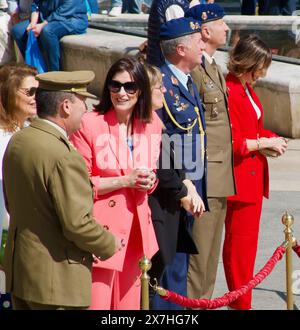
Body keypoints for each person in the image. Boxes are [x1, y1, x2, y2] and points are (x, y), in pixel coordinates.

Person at [2, 70, 120, 310]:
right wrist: (108, 243)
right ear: (66, 106)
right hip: (57, 282)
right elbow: (77, 224)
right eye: (83, 104)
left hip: (23, 273)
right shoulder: (64, 156)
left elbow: (12, 203)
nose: (85, 111)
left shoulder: (20, 140)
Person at [70, 57, 162, 310]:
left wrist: (150, 181)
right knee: (98, 305)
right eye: (115, 85)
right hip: (102, 231)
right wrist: (125, 180)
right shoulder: (89, 123)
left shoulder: (152, 123)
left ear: (140, 89)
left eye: (129, 87)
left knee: (128, 308)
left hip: (137, 229)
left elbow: (151, 174)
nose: (122, 92)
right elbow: (80, 183)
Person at [223, 34, 288, 310]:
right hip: (240, 179)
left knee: (246, 251)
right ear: (250, 63)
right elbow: (233, 142)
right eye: (262, 66)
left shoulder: (245, 87)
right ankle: (241, 305)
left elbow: (252, 129)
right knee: (240, 251)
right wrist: (265, 143)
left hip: (251, 177)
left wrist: (272, 138)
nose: (264, 73)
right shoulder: (231, 88)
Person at [153, 17, 207, 309]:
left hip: (192, 180)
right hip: (174, 185)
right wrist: (184, 184)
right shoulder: (160, 84)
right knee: (170, 265)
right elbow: (159, 141)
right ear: (181, 48)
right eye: (198, 40)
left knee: (183, 262)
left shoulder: (187, 81)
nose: (203, 46)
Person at [185, 3, 236, 302]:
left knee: (211, 255)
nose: (227, 29)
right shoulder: (195, 70)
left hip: (220, 173)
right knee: (199, 258)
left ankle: (205, 304)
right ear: (205, 30)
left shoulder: (214, 65)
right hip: (204, 173)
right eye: (221, 24)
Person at [144, 64, 203, 307]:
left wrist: (187, 182)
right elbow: (161, 168)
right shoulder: (145, 123)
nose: (163, 90)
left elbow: (171, 156)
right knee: (150, 286)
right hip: (158, 208)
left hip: (171, 205)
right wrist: (183, 192)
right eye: (158, 87)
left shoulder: (155, 120)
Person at [0, 63, 38, 310]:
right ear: (8, 93)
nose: (37, 98)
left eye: (38, 91)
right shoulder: (3, 138)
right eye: (29, 92)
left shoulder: (29, 130)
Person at [11, 0, 88, 71]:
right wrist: (33, 23)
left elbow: (65, 9)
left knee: (48, 31)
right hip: (45, 17)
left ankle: (54, 72)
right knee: (18, 31)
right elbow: (36, 4)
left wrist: (42, 25)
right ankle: (33, 69)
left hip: (70, 19)